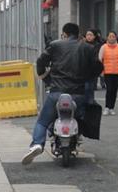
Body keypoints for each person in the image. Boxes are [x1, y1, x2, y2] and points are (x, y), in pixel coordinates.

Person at [22, 23, 103, 165]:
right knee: (81, 115)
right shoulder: (88, 48)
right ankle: (76, 136)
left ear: (64, 33)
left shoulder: (55, 45)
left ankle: (37, 144)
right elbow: (98, 67)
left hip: (56, 92)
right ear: (78, 34)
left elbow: (41, 61)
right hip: (78, 93)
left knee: (43, 121)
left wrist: (45, 77)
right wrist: (87, 77)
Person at [99, 31, 118, 115]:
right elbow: (100, 59)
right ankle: (107, 107)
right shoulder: (103, 47)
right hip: (107, 72)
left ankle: (112, 107)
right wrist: (100, 70)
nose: (112, 38)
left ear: (116, 38)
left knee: (114, 90)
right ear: (107, 37)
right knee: (109, 89)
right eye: (110, 36)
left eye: (113, 36)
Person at [84, 28, 103, 103]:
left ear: (94, 36)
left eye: (90, 35)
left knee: (90, 88)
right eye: (87, 35)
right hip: (83, 70)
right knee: (85, 88)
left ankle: (90, 103)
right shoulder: (82, 45)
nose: (89, 36)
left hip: (93, 70)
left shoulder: (98, 45)